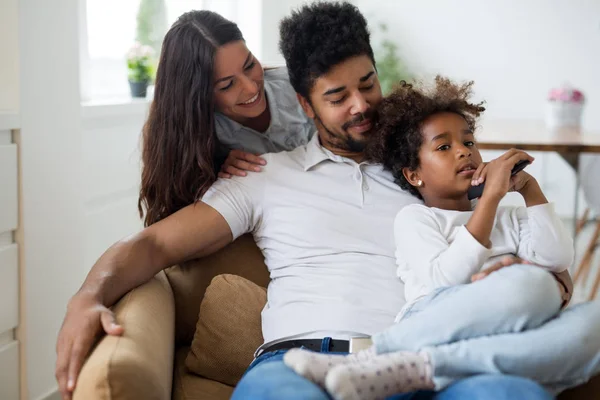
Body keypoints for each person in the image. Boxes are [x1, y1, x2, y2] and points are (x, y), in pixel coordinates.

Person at [55, 3, 565, 400]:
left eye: (367, 85)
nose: (360, 105)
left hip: (419, 359)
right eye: (337, 97)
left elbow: (508, 243)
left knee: (511, 392)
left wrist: (548, 281)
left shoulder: (426, 176)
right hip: (295, 363)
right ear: (305, 104)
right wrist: (88, 295)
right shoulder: (261, 176)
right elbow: (152, 246)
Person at [283, 77, 600, 400]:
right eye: (444, 147)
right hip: (436, 320)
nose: (464, 152)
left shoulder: (511, 215)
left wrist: (530, 189)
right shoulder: (417, 218)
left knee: (594, 319)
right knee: (535, 285)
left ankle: (419, 367)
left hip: (503, 332)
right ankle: (378, 352)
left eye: (469, 142)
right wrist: (490, 199)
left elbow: (557, 258)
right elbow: (445, 279)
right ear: (414, 174)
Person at [138, 9, 314, 227]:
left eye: (250, 65)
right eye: (227, 85)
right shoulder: (195, 135)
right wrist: (218, 178)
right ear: (198, 96)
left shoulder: (299, 85)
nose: (251, 88)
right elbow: (182, 218)